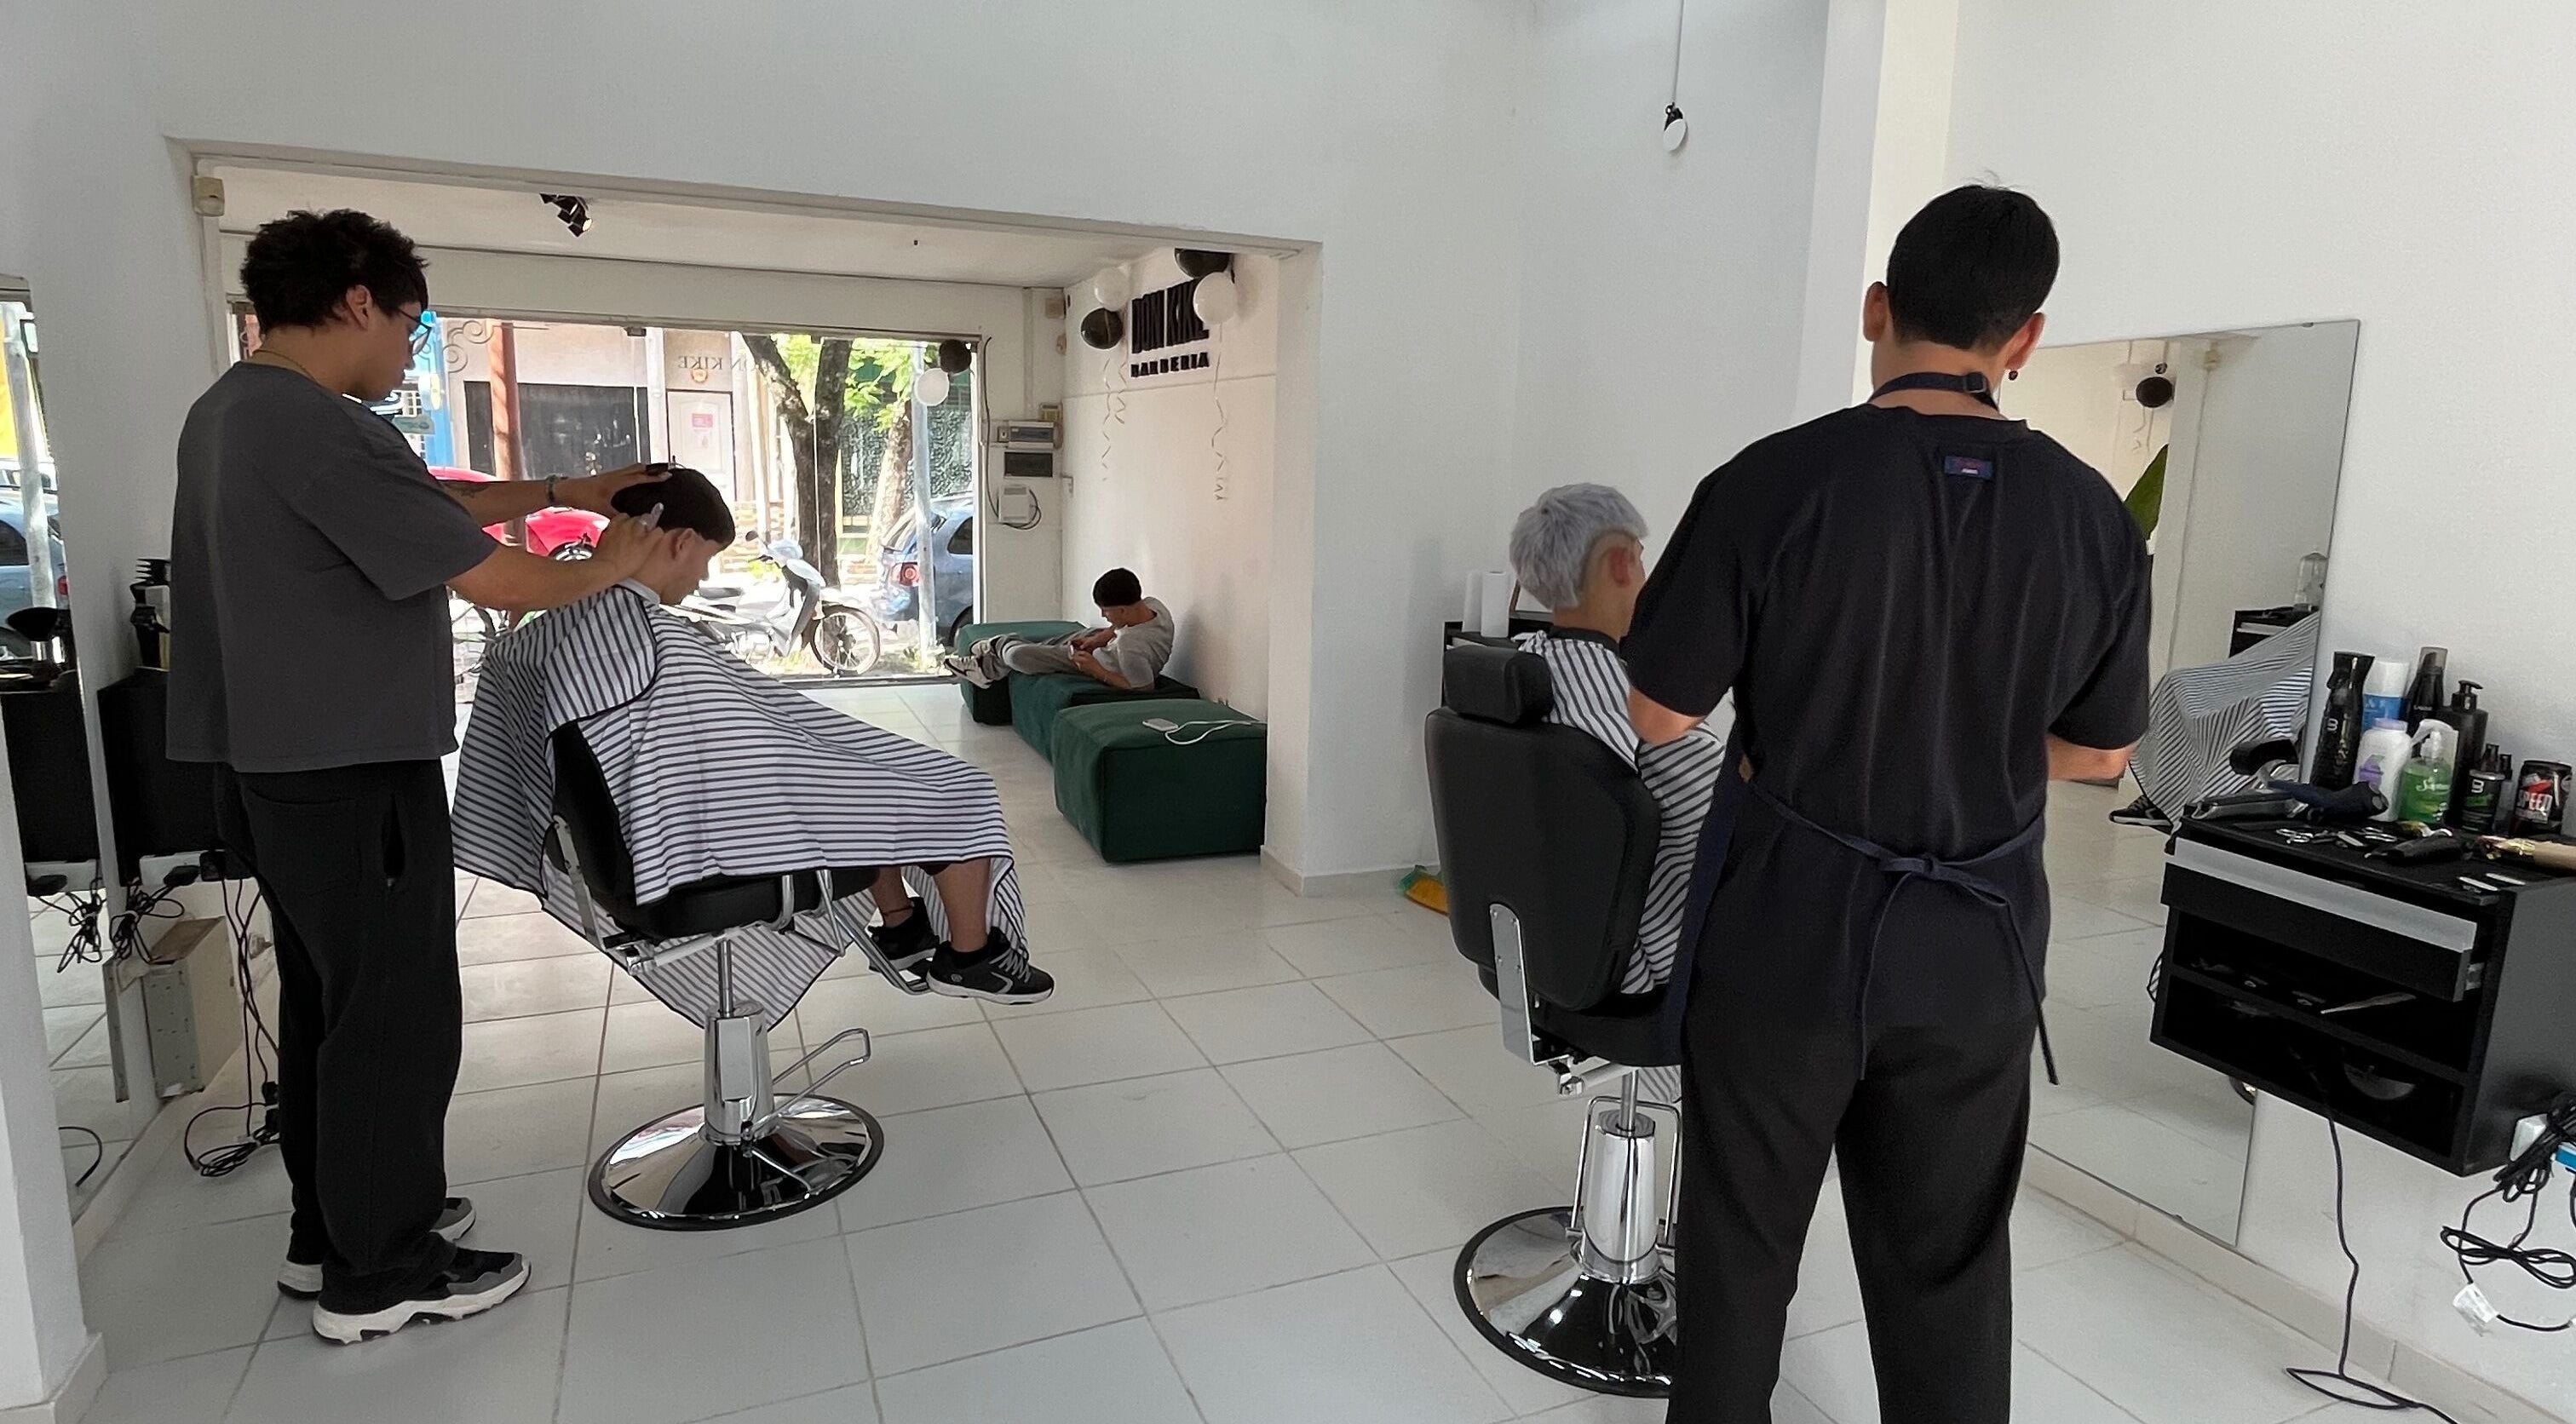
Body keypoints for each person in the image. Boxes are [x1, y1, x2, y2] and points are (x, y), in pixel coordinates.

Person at [1623, 186, 2150, 1423]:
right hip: (1978, 951)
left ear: (1878, 311)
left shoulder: (1771, 482)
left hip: (1787, 942)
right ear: (2022, 340)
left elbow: (1659, 716)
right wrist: (1968, 735)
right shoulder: (2092, 517)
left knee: (1741, 1253)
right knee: (1949, 1274)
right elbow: (2100, 755)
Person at [171, 208, 670, 1343]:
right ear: (355, 301)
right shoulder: (320, 428)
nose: (410, 347)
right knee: (396, 1015)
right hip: (349, 764)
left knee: (332, 1008)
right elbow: (500, 584)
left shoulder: (233, 413)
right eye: (407, 323)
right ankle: (382, 1267)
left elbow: (431, 510)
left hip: (273, 765)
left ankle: (329, 1231)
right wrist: (621, 561)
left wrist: (567, 490)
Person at [452, 468, 1055, 1007]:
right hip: (678, 857)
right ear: (681, 541)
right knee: (958, 789)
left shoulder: (543, 633)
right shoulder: (653, 638)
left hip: (617, 849)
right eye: (705, 561)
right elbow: (754, 744)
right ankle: (972, 959)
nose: (698, 579)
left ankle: (903, 927)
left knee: (860, 793)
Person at [1504, 484, 1728, 1104]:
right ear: (1625, 562)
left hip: (1542, 950)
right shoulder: (1636, 705)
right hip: (1639, 969)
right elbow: (1721, 815)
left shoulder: (1521, 671)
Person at [946, 567, 1173, 691]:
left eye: (1106, 611)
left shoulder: (1131, 647)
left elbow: (1143, 688)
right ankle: (985, 667)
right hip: (1104, 646)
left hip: (1097, 662)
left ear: (1123, 610)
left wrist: (1095, 669)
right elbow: (1122, 629)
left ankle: (997, 647)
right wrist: (1102, 637)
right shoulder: (1154, 606)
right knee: (1066, 640)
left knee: (1019, 656)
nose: (1104, 615)